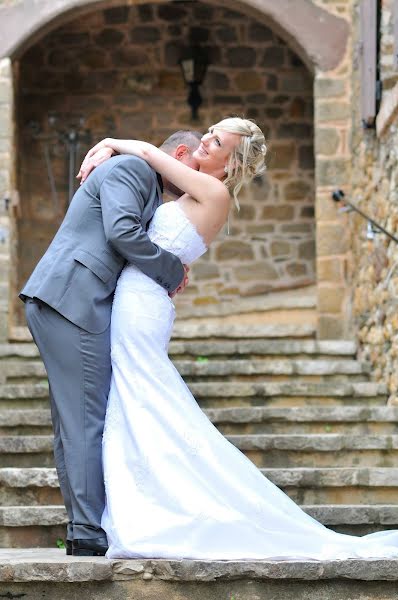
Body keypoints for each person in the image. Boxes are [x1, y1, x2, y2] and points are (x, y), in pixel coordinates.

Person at [78, 117, 398, 560]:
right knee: (140, 397)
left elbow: (153, 155)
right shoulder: (196, 193)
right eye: (209, 134)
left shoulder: (215, 193)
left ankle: (153, 509)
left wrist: (109, 142)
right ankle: (152, 502)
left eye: (215, 143)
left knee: (140, 395)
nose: (203, 142)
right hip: (140, 298)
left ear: (229, 165)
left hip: (142, 304)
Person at [19, 129, 202, 557]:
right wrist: (171, 270)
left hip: (69, 300)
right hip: (73, 299)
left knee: (74, 420)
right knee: (86, 418)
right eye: (190, 164)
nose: (189, 178)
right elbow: (120, 230)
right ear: (178, 154)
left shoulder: (136, 175)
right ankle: (86, 531)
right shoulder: (135, 169)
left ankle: (82, 527)